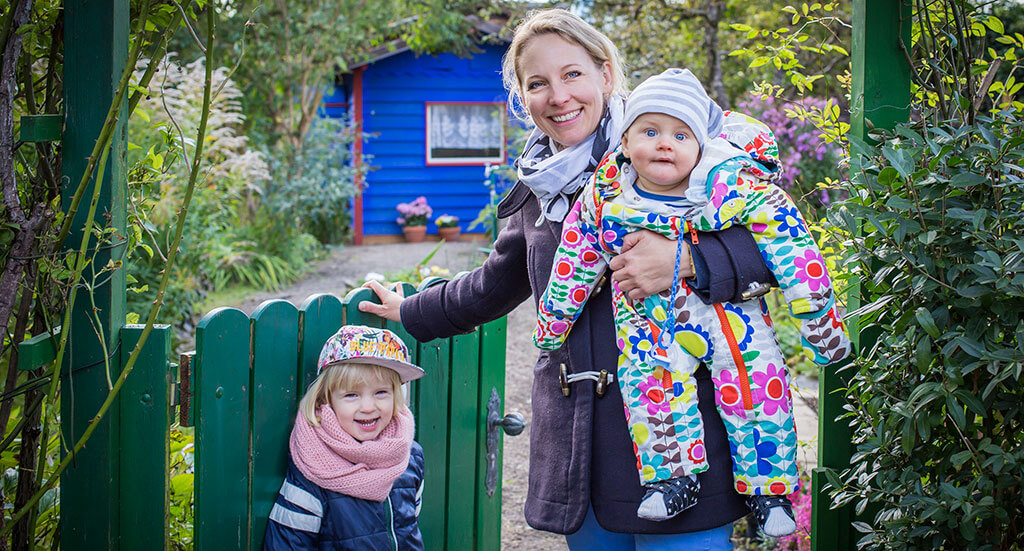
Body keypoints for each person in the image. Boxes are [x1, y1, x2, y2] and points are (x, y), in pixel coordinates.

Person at [359, 8, 778, 550]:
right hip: (582, 440)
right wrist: (410, 310)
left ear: (605, 74)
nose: (558, 96)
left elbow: (777, 249)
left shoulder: (676, 146)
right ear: (523, 98)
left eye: (573, 74)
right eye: (538, 83)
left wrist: (686, 260)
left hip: (677, 431)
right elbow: (495, 283)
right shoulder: (537, 192)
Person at [534, 68, 852, 536]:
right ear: (624, 143)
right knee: (650, 389)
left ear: (702, 147)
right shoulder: (604, 196)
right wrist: (552, 324)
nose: (665, 144)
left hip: (732, 323)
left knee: (758, 388)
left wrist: (820, 321)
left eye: (681, 135)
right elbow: (575, 259)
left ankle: (769, 490)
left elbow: (791, 245)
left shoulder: (729, 186)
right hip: (648, 322)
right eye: (650, 131)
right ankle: (671, 480)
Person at [263, 325, 425, 550]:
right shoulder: (313, 465)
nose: (368, 407)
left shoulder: (409, 454)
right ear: (326, 399)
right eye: (351, 395)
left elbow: (409, 525)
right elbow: (287, 544)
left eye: (381, 392)